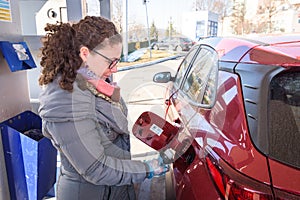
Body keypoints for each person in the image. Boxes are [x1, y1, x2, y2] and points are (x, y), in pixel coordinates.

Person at [38, 16, 168, 200]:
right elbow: (96, 168)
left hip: (116, 188)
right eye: (111, 61)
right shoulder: (65, 101)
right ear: (85, 54)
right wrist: (146, 168)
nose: (115, 69)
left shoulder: (96, 83)